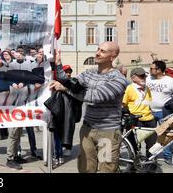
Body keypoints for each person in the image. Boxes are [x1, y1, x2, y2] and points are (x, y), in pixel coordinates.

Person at [49, 42, 128, 173]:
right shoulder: (89, 73)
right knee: (86, 168)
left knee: (105, 169)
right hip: (87, 130)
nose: (97, 53)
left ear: (112, 57)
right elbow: (70, 83)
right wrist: (58, 64)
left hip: (106, 133)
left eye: (102, 51)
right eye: (98, 49)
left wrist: (65, 89)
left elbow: (94, 96)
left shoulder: (118, 79)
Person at [122, 67, 157, 158]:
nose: (144, 78)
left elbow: (148, 103)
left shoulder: (147, 88)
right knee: (134, 145)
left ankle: (150, 165)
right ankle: (134, 166)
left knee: (152, 146)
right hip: (135, 120)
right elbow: (123, 104)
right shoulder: (129, 88)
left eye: (144, 76)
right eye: (141, 76)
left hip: (149, 120)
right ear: (133, 78)